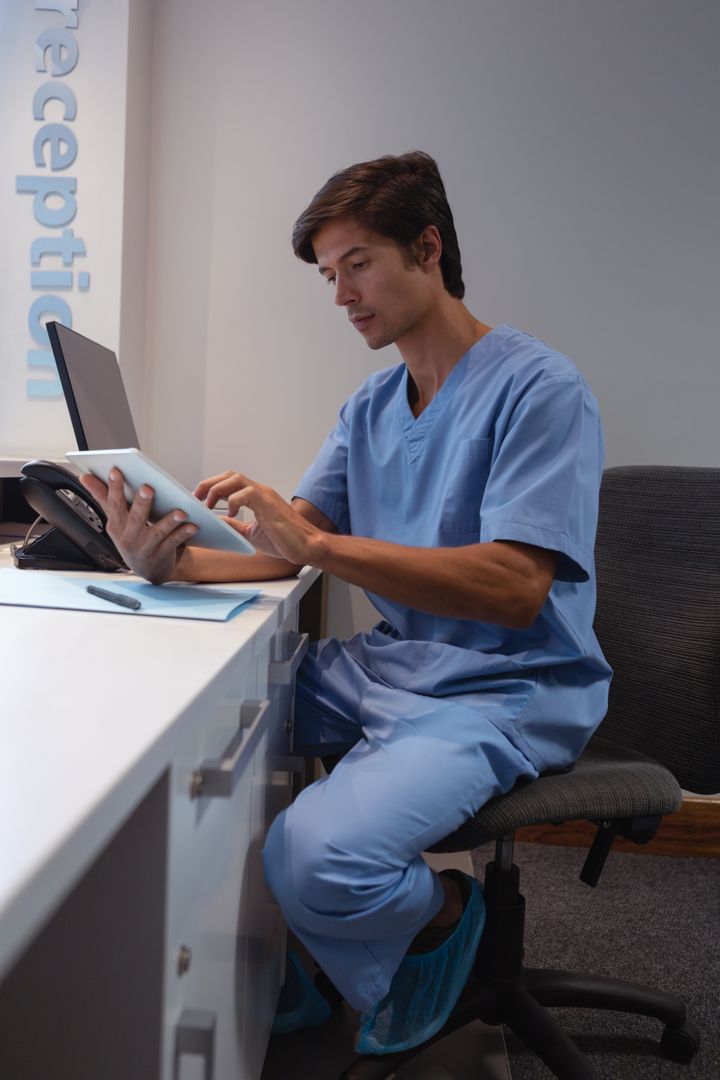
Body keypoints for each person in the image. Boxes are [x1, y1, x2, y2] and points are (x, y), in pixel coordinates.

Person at [82, 151, 611, 1055]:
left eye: (356, 264)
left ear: (428, 248)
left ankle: (447, 916)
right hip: (397, 666)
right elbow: (284, 547)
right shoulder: (372, 406)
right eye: (330, 275)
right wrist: (170, 563)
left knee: (315, 855)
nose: (340, 296)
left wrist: (317, 545)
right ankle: (270, 961)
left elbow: (517, 590)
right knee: (217, 721)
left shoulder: (538, 388)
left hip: (504, 684)